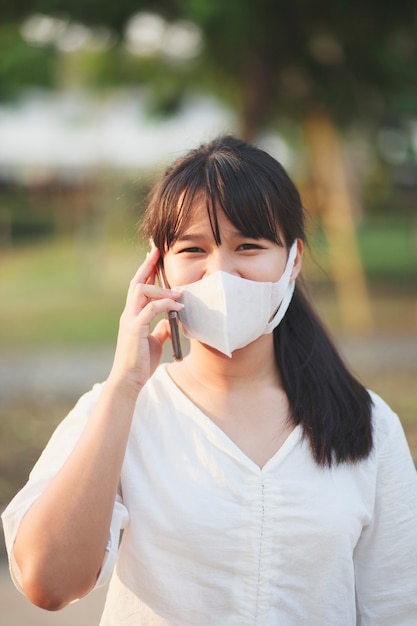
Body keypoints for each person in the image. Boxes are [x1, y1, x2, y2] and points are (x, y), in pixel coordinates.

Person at [2, 135, 417, 625]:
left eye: (248, 246)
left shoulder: (368, 426)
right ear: (158, 265)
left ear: (293, 261)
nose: (220, 272)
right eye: (193, 249)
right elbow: (48, 582)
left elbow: (395, 606)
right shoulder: (117, 412)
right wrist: (123, 385)